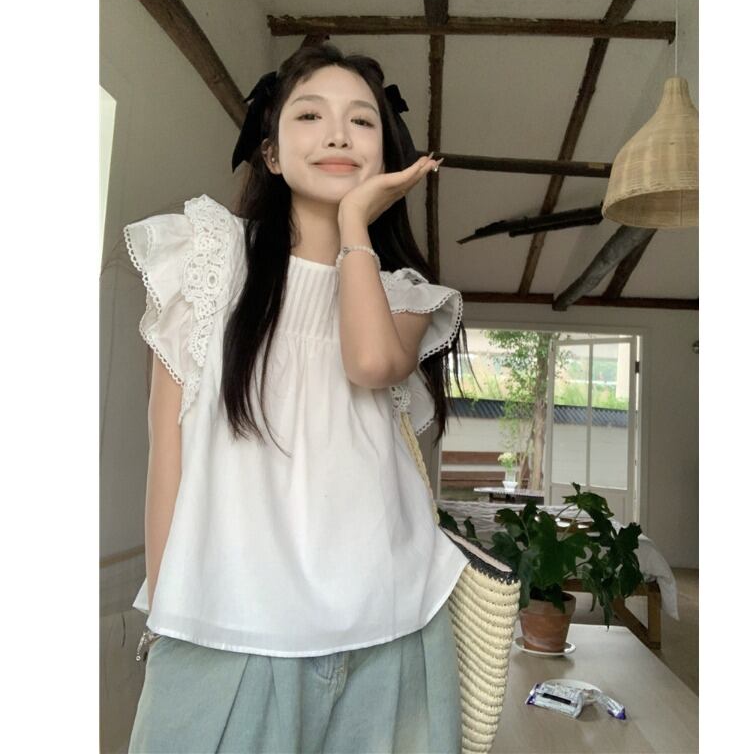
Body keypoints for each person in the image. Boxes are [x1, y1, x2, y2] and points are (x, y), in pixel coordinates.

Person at [123, 43, 475, 753]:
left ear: (387, 157)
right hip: (229, 632)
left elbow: (370, 363)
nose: (338, 135)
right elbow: (170, 450)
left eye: (362, 121)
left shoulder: (403, 292)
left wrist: (354, 225)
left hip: (389, 628)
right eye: (310, 115)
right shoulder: (207, 257)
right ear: (272, 153)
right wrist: (165, 612)